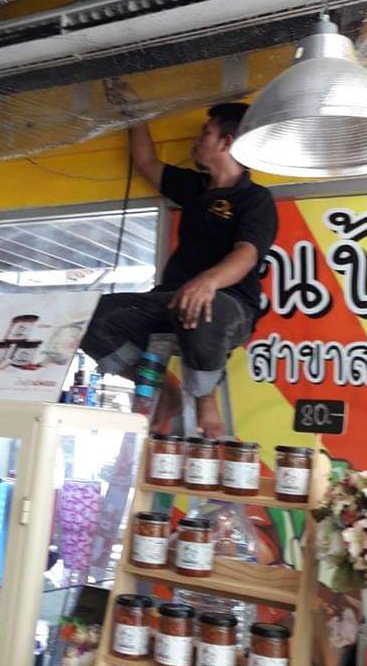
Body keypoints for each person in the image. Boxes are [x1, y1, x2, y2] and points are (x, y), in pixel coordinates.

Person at [80, 78, 278, 437]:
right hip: (171, 299)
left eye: (206, 133)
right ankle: (166, 392)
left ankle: (206, 403)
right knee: (91, 316)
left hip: (231, 307)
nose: (197, 139)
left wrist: (208, 282)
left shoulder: (255, 199)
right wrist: (133, 110)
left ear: (226, 142)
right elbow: (146, 161)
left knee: (205, 305)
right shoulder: (194, 188)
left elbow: (247, 254)